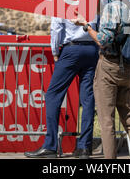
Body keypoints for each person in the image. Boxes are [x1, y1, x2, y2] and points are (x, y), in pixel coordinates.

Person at [72, 0, 130, 159]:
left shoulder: (112, 7)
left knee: (107, 120)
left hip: (109, 66)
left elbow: (104, 41)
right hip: (128, 67)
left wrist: (86, 26)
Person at [24, 17, 99, 159]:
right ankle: (84, 147)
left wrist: (55, 53)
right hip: (91, 49)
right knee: (88, 99)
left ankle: (50, 146)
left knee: (53, 96)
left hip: (71, 49)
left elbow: (56, 28)